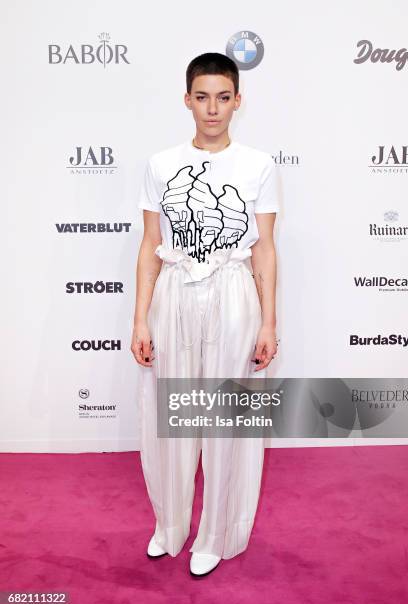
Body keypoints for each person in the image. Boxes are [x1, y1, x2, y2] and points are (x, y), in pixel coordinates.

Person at [131, 52, 279, 577]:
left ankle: (216, 532)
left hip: (234, 294)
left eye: (223, 97)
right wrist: (139, 319)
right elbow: (151, 245)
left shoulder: (258, 164)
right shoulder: (160, 164)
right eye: (202, 96)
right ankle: (170, 525)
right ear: (187, 99)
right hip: (174, 292)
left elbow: (264, 249)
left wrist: (268, 321)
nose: (212, 108)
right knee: (171, 417)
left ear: (238, 100)